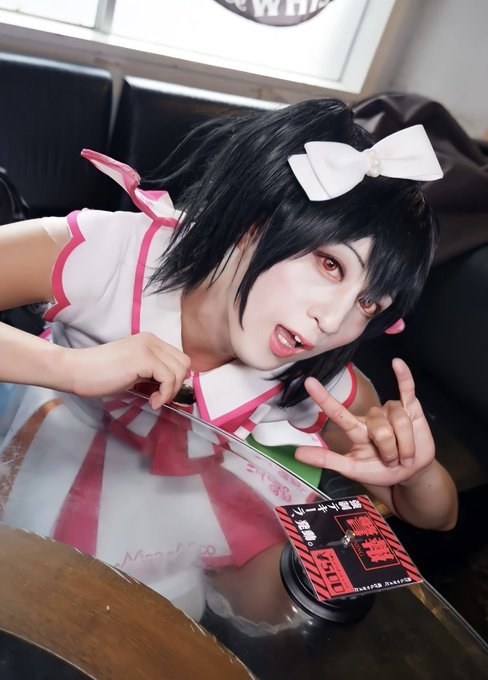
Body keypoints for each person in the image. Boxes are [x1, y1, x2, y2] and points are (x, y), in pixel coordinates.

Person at [0, 99, 457, 600]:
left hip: (180, 510)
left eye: (368, 304)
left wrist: (413, 474)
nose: (332, 322)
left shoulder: (318, 377)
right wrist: (66, 366)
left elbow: (438, 517)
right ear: (253, 222)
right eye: (330, 265)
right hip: (47, 464)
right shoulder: (108, 254)